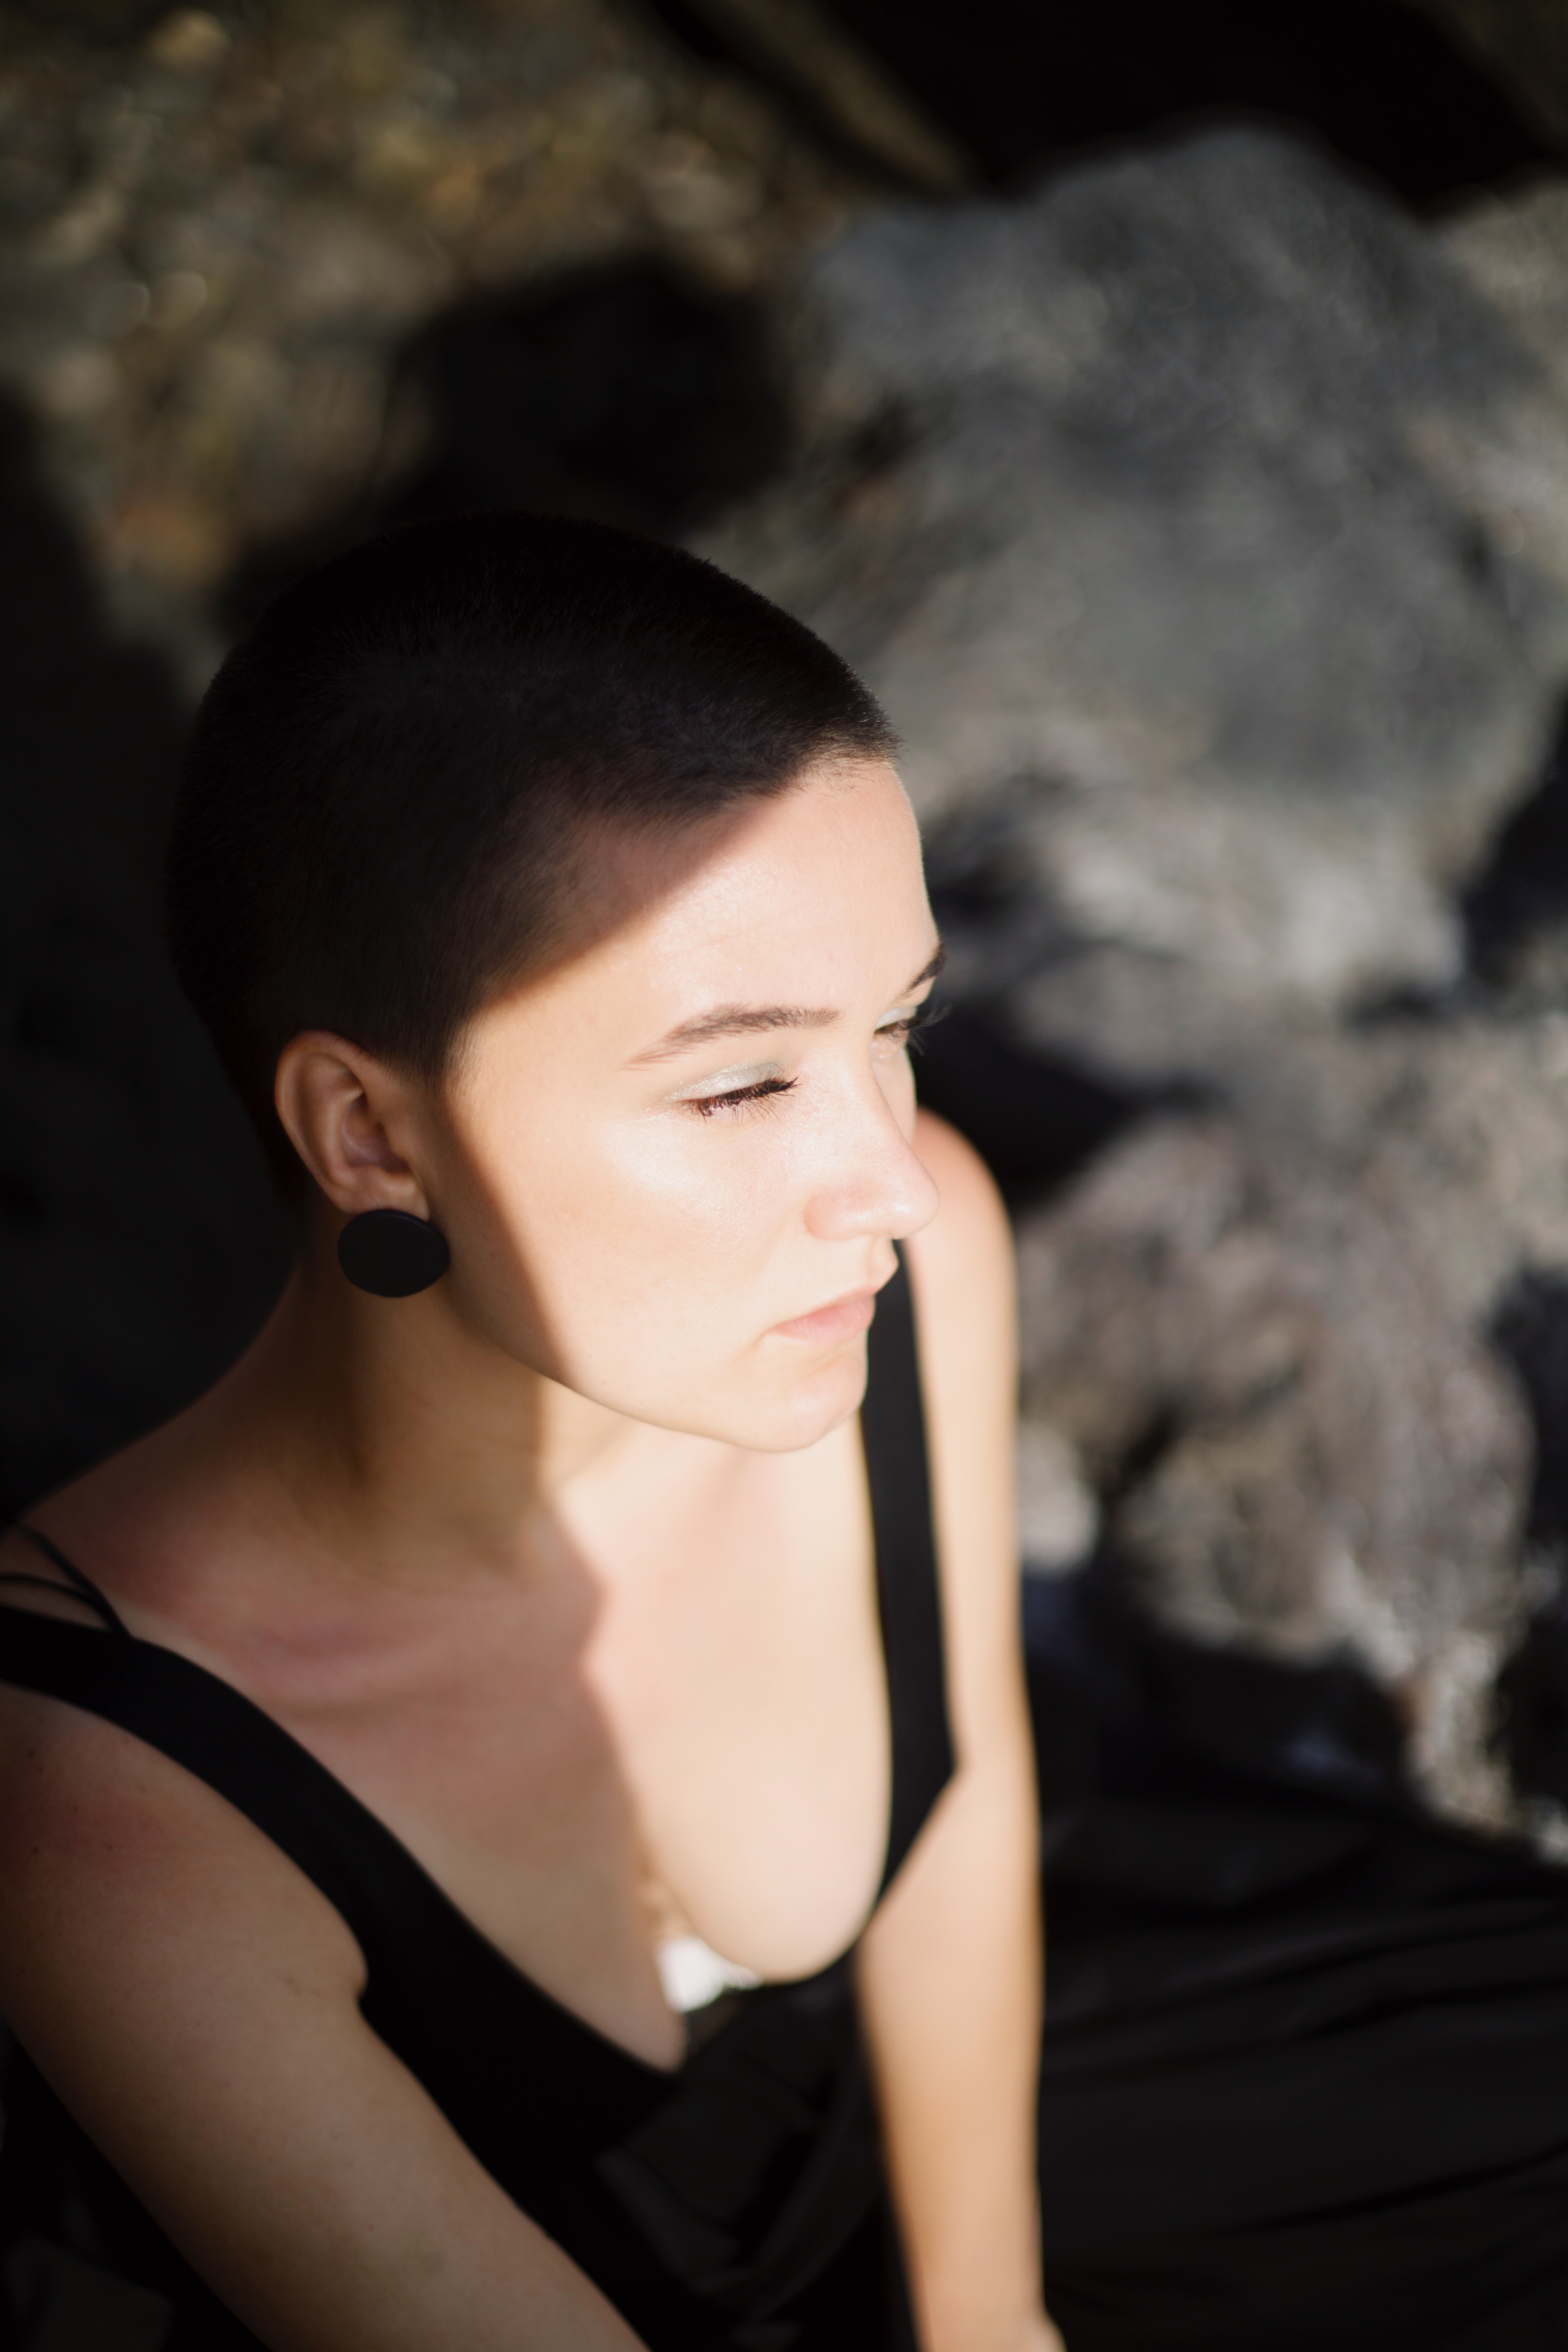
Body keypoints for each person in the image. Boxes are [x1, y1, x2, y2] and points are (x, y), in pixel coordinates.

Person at [0, 513, 1056, 2352]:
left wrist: (994, 2318)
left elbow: (962, 1821)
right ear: (369, 1137)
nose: (887, 1180)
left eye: (899, 1023)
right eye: (743, 1084)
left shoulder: (917, 1261)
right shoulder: (103, 1798)